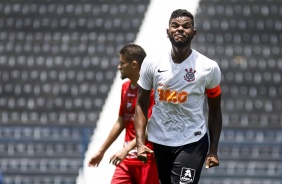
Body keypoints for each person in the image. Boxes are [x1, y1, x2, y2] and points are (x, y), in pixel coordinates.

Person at [134, 9, 222, 184]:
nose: (180, 29)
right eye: (175, 25)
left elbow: (215, 109)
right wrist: (139, 142)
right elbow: (141, 104)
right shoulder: (152, 63)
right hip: (160, 140)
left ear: (194, 33)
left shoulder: (208, 67)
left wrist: (213, 149)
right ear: (168, 32)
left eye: (186, 26)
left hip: (192, 140)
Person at [88, 44, 159, 184]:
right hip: (126, 160)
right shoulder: (125, 88)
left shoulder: (151, 89)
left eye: (122, 63)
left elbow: (152, 125)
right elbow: (121, 121)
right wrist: (101, 151)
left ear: (134, 64)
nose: (119, 67)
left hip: (147, 159)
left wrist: (126, 149)